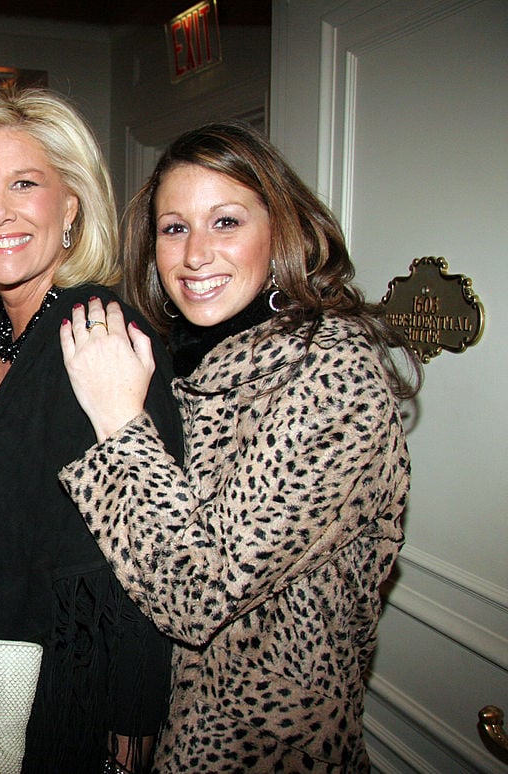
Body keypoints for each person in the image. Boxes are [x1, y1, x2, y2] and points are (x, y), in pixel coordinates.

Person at [58, 120, 422, 772]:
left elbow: (199, 592)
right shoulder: (182, 358)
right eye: (175, 227)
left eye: (225, 222)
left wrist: (118, 420)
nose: (195, 253)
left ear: (280, 230)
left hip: (264, 750)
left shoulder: (331, 373)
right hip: (164, 732)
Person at [0, 87, 184, 774]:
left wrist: (129, 718)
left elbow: (137, 542)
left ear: (69, 205)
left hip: (65, 697)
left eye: (24, 184)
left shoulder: (97, 328)